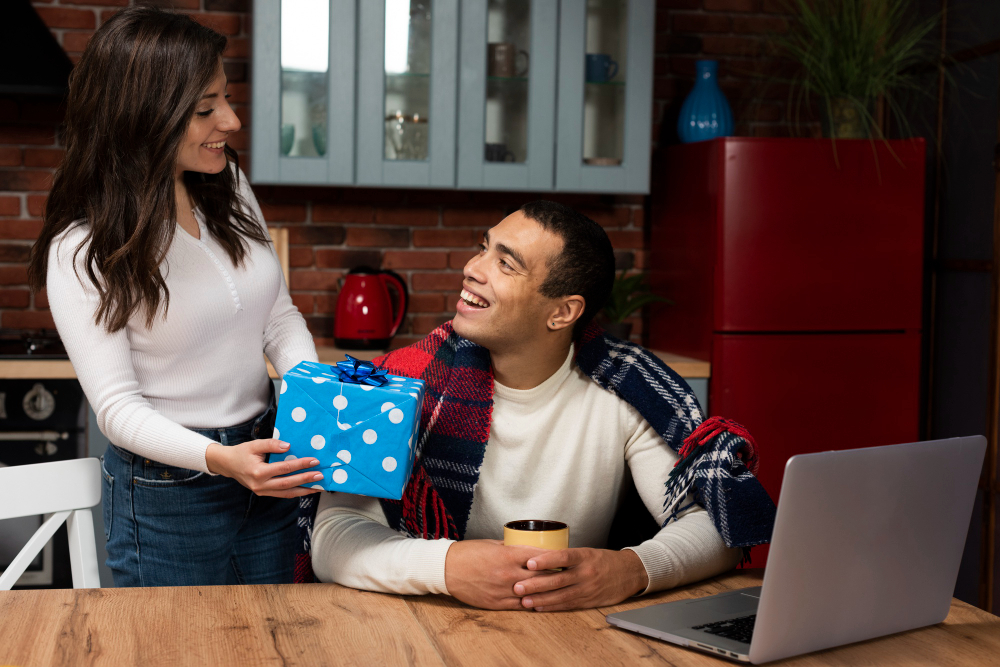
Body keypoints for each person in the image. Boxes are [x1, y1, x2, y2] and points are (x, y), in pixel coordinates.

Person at [308, 201, 775, 611]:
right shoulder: (400, 382)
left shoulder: (629, 390)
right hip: (426, 626)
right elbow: (332, 536)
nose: (473, 266)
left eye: (506, 264)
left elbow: (718, 526)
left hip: (575, 633)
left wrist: (631, 569)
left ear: (562, 312)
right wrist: (446, 566)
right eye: (484, 247)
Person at [27, 7, 321, 587]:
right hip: (170, 491)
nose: (232, 121)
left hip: (267, 459)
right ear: (143, 116)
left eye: (226, 99)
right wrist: (221, 461)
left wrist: (315, 403)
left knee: (273, 642)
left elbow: (278, 317)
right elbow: (117, 410)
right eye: (206, 109)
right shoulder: (83, 248)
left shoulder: (227, 185)